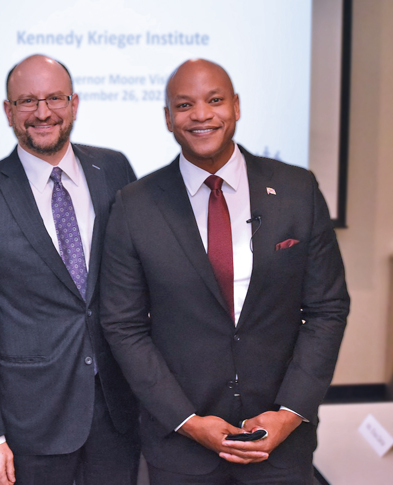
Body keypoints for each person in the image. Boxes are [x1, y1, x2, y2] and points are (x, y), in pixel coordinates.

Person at [100, 59, 350, 484]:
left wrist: (289, 414)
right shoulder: (134, 205)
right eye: (184, 105)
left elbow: (327, 309)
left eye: (214, 101)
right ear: (167, 118)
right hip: (179, 447)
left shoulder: (297, 190)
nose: (201, 115)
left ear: (236, 106)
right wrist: (188, 421)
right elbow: (123, 326)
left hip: (280, 444)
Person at [0, 54, 140, 485]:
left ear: (74, 104)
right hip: (30, 417)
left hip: (117, 405)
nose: (42, 113)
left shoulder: (114, 169)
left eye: (54, 98)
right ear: (8, 111)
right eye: (27, 101)